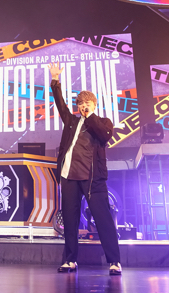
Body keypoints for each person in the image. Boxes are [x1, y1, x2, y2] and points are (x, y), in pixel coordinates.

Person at [49, 63, 122, 275]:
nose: (83, 106)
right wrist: (55, 81)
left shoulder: (103, 122)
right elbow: (60, 105)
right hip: (69, 176)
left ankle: (114, 262)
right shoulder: (72, 121)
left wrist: (90, 116)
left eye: (87, 103)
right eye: (80, 103)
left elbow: (104, 136)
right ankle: (70, 260)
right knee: (70, 220)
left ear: (94, 105)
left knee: (103, 219)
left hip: (93, 179)